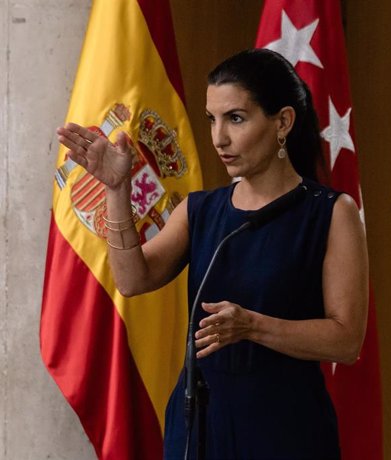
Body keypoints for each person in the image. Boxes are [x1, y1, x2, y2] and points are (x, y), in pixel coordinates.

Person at [56, 48, 368, 459]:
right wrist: (117, 190)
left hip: (286, 429)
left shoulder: (331, 212)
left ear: (283, 122)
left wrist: (251, 326)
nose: (219, 137)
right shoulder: (200, 210)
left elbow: (347, 341)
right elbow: (132, 280)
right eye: (212, 119)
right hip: (201, 427)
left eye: (235, 118)